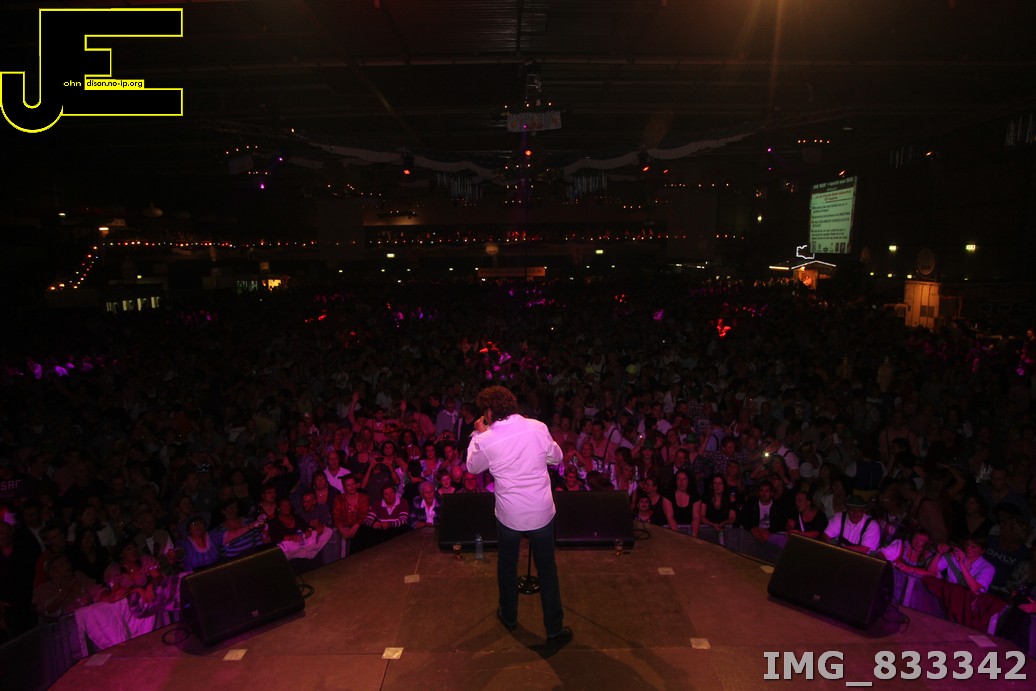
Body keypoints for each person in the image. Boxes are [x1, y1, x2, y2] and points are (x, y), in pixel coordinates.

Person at [465, 385, 571, 649]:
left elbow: (472, 467)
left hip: (510, 515)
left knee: (507, 565)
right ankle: (554, 630)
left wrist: (478, 435)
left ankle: (509, 616)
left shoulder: (487, 439)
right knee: (547, 570)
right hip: (541, 512)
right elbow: (556, 457)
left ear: (489, 411)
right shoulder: (537, 427)